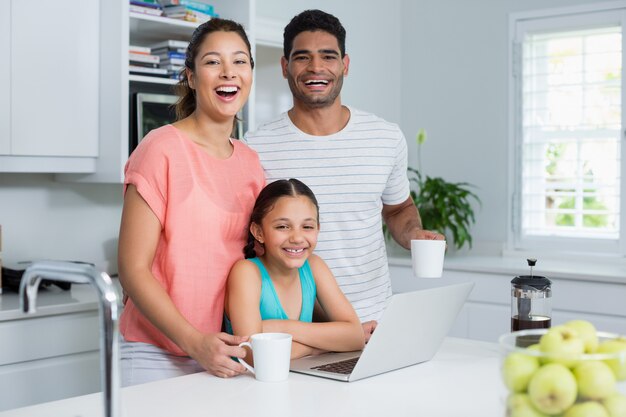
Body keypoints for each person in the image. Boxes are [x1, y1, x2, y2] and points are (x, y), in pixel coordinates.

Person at [243, 10, 444, 335]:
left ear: (345, 65)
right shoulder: (255, 147)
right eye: (302, 57)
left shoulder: (385, 137)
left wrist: (414, 235)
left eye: (328, 56)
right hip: (297, 331)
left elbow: (399, 208)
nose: (316, 68)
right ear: (285, 66)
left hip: (376, 320)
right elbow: (250, 238)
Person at [117, 18, 265, 386]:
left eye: (240, 61)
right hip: (155, 354)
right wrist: (195, 342)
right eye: (213, 62)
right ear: (191, 77)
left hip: (225, 351)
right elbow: (132, 268)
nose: (228, 72)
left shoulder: (251, 162)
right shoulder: (160, 148)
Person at [225, 179, 365, 360]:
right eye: (282, 227)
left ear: (318, 229)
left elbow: (355, 336)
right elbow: (255, 354)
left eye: (307, 227)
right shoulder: (246, 272)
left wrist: (279, 327)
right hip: (249, 384)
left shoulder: (314, 266)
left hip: (298, 379)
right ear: (258, 232)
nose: (297, 238)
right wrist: (317, 348)